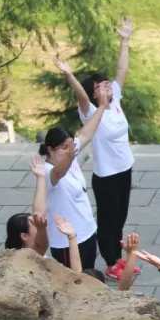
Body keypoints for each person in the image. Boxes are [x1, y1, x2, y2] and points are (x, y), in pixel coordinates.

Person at [51, 15, 137, 281]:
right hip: (106, 176)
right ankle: (111, 262)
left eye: (105, 82)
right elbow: (80, 94)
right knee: (108, 221)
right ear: (93, 94)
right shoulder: (90, 111)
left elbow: (121, 69)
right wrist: (69, 74)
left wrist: (125, 40)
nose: (106, 86)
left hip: (125, 169)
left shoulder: (115, 100)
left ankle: (119, 258)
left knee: (120, 218)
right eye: (99, 86)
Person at [40, 82, 111, 271]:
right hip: (65, 241)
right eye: (64, 147)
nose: (70, 150)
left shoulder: (69, 154)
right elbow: (58, 173)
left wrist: (101, 107)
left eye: (71, 146)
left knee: (88, 277)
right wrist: (71, 155)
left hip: (87, 232)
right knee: (73, 281)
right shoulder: (45, 171)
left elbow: (87, 133)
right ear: (50, 149)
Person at [4, 155, 51, 255]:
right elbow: (43, 245)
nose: (38, 224)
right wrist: (41, 228)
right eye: (35, 225)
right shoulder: (34, 254)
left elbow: (39, 215)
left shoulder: (12, 255)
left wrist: (41, 177)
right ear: (24, 236)